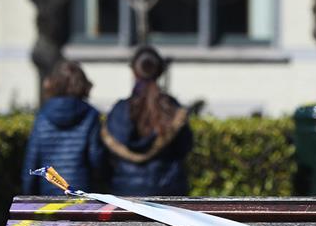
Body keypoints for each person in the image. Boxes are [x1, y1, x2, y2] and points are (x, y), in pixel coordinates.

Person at [101, 45, 193, 196]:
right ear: (160, 72)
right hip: (167, 189)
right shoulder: (172, 108)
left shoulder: (119, 110)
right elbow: (184, 148)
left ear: (134, 72)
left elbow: (104, 156)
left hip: (125, 191)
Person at [21, 60, 105, 195]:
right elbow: (97, 160)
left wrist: (28, 194)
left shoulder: (42, 115)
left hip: (48, 194)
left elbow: (32, 160)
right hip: (83, 193)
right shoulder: (91, 115)